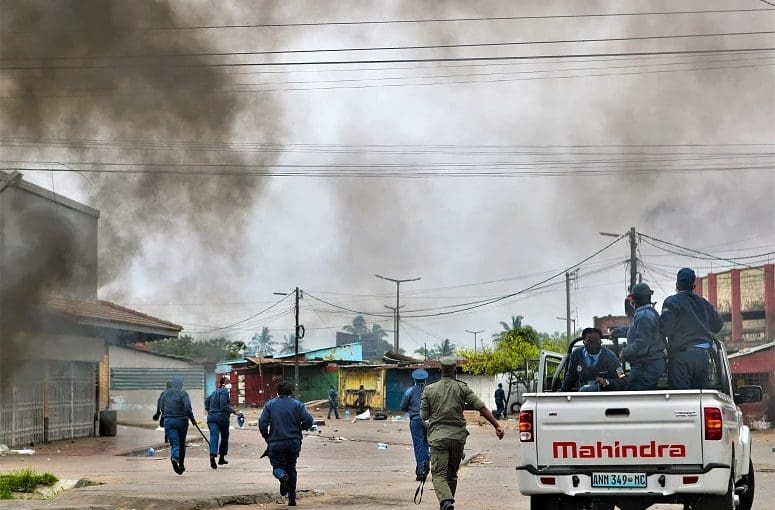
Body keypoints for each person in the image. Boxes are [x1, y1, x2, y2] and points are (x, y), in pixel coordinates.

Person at [420, 357, 504, 510]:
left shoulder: (429, 389)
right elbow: (481, 407)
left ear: (440, 370)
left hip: (438, 438)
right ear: (455, 371)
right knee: (452, 474)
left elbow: (424, 416)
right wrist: (497, 425)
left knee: (438, 474)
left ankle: (446, 501)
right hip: (458, 438)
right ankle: (448, 503)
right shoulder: (462, 388)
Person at [661, 268, 724, 390]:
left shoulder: (671, 302)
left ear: (677, 285)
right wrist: (702, 327)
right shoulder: (703, 303)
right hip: (703, 358)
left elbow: (666, 330)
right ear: (693, 285)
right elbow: (718, 325)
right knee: (699, 398)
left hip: (681, 358)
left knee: (682, 399)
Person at [259, 381, 314, 507]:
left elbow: (262, 423)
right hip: (294, 442)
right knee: (292, 468)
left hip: (276, 442)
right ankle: (292, 499)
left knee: (277, 468)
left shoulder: (270, 404)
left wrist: (267, 437)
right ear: (291, 392)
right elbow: (309, 421)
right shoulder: (298, 405)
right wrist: (301, 427)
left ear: (277, 392)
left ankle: (282, 476)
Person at [616, 283, 668, 390]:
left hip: (646, 366)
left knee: (639, 399)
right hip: (647, 365)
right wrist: (619, 331)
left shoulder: (643, 315)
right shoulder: (647, 313)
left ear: (635, 299)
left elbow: (642, 344)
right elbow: (637, 331)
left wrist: (624, 352)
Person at [560, 327, 627, 392]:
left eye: (596, 340)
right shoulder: (577, 354)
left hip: (603, 397)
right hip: (582, 395)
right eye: (589, 340)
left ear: (601, 341)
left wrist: (606, 382)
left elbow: (623, 381)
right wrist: (562, 394)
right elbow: (570, 377)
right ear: (584, 342)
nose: (593, 343)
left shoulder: (611, 357)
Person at [162, 375, 197, 475]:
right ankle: (180, 463)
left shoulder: (165, 394)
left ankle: (175, 458)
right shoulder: (183, 394)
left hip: (169, 421)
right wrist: (192, 419)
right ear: (181, 384)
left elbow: (162, 408)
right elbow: (187, 408)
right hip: (181, 421)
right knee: (181, 444)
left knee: (174, 443)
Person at [206, 376, 243, 469]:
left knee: (214, 436)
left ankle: (212, 455)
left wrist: (209, 410)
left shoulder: (214, 392)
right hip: (221, 417)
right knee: (224, 436)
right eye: (228, 382)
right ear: (224, 383)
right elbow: (223, 406)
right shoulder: (224, 391)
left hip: (211, 417)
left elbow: (207, 400)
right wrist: (235, 412)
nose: (230, 384)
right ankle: (221, 457)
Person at [400, 368, 430, 481]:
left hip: (415, 420)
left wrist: (412, 409)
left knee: (418, 445)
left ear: (414, 379)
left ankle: (421, 471)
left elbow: (403, 407)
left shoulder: (410, 391)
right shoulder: (430, 391)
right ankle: (427, 459)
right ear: (425, 380)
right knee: (426, 443)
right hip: (428, 420)